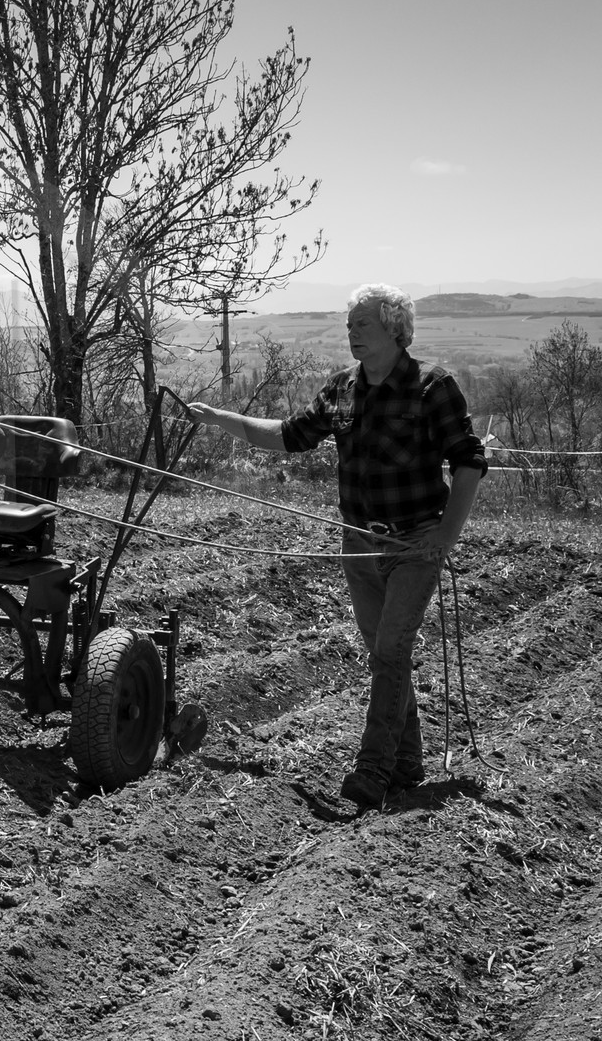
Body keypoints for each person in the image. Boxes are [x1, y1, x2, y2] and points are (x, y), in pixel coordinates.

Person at [186, 284, 487, 809]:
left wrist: (445, 536)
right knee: (384, 655)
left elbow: (468, 461)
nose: (352, 333)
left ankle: (372, 770)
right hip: (358, 542)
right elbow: (287, 435)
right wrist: (220, 420)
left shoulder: (433, 387)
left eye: (362, 324)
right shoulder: (342, 389)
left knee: (391, 651)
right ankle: (408, 763)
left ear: (396, 329)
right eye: (349, 325)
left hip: (415, 542)